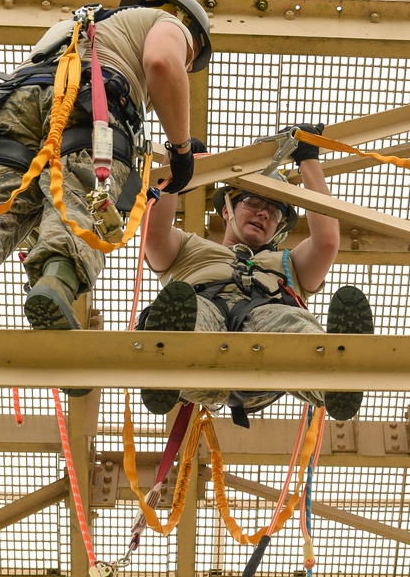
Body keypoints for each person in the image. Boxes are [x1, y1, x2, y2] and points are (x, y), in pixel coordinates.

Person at [0, 0, 212, 407]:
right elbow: (163, 63)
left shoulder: (72, 26)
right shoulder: (168, 23)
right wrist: (181, 149)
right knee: (81, 203)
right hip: (91, 109)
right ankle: (55, 286)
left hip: (15, 106)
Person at [135, 123, 373, 427]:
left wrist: (309, 159)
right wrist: (175, 164)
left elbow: (327, 242)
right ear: (227, 210)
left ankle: (334, 377)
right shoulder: (189, 248)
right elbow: (153, 235)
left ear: (278, 228)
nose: (263, 213)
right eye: (254, 202)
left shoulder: (289, 264)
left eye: (273, 212)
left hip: (261, 357)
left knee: (289, 324)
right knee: (192, 317)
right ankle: (166, 360)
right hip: (206, 333)